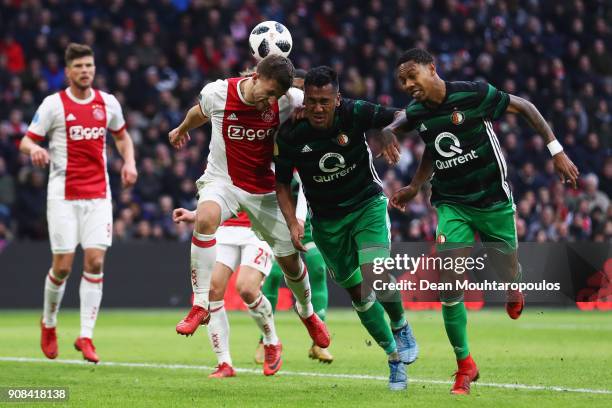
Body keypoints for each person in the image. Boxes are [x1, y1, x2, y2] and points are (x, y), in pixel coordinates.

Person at [383, 48, 579, 394]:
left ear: (433, 68)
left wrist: (556, 151)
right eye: (402, 80)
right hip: (451, 203)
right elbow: (426, 139)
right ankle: (465, 365)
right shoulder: (417, 112)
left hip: (492, 200)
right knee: (449, 282)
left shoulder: (473, 94)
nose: (408, 84)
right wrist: (415, 183)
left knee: (506, 268)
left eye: (413, 75)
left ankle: (513, 283)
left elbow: (526, 107)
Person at [168, 54, 330, 350]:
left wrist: (305, 113)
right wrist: (181, 130)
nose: (270, 101)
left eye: (277, 96)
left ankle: (307, 313)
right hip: (223, 180)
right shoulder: (218, 92)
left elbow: (325, 105)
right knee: (205, 217)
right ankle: (199, 303)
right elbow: (198, 113)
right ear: (256, 77)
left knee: (291, 263)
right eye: (269, 93)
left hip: (263, 190)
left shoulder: (288, 99)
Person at [274, 66, 418, 391]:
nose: (319, 108)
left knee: (375, 274)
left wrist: (388, 129)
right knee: (358, 294)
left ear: (337, 99)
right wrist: (293, 222)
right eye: (312, 101)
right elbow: (281, 184)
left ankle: (400, 324)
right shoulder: (291, 134)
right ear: (304, 100)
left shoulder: (353, 111)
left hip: (366, 205)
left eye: (325, 101)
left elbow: (398, 113)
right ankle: (394, 358)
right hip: (326, 223)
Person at [19, 43, 138, 363]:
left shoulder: (108, 103)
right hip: (63, 196)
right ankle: (49, 323)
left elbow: (123, 136)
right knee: (62, 267)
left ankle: (86, 336)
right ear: (68, 71)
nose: (85, 71)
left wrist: (129, 162)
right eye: (79, 66)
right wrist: (34, 150)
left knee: (96, 262)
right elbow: (27, 139)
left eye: (89, 65)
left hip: (99, 194)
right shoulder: (53, 105)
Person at [254, 69, 333, 364]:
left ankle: (318, 341)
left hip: (308, 222)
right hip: (277, 219)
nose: (301, 104)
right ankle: (266, 339)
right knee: (274, 275)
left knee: (317, 267)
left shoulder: (314, 133)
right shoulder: (278, 133)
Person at [172, 208, 282, 377]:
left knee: (247, 289)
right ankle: (224, 363)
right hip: (225, 229)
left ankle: (271, 341)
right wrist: (196, 213)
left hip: (259, 228)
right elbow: (219, 189)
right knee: (212, 292)